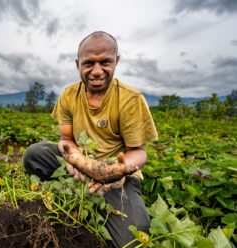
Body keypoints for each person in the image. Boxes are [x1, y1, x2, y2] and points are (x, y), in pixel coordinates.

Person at [23, 31, 158, 247]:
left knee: (132, 239)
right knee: (34, 154)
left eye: (105, 62)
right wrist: (74, 156)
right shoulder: (68, 95)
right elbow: (65, 138)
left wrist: (117, 173)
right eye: (88, 63)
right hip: (80, 160)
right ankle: (77, 186)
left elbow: (138, 152)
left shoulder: (131, 99)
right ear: (78, 64)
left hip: (116, 175)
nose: (96, 71)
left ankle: (99, 192)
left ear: (117, 61)